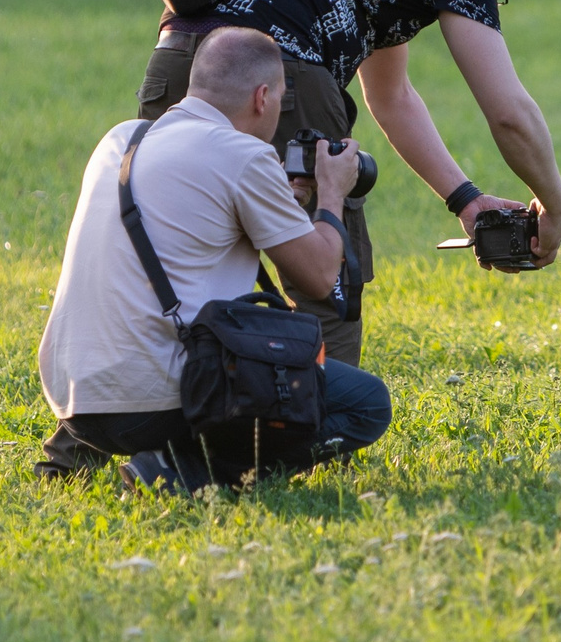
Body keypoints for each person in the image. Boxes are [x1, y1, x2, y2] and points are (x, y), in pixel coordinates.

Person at [132, 0, 561, 367]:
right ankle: (324, 414)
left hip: (176, 58)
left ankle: (143, 407)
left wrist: (465, 199)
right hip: (274, 71)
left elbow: (392, 98)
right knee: (328, 286)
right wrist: (555, 208)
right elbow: (509, 113)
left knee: (168, 254)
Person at [37, 26, 393, 489]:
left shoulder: (123, 137)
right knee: (367, 404)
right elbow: (322, 278)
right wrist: (332, 192)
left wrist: (280, 202)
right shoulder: (242, 155)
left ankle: (148, 458)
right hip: (152, 402)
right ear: (262, 97)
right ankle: (182, 470)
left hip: (73, 399)